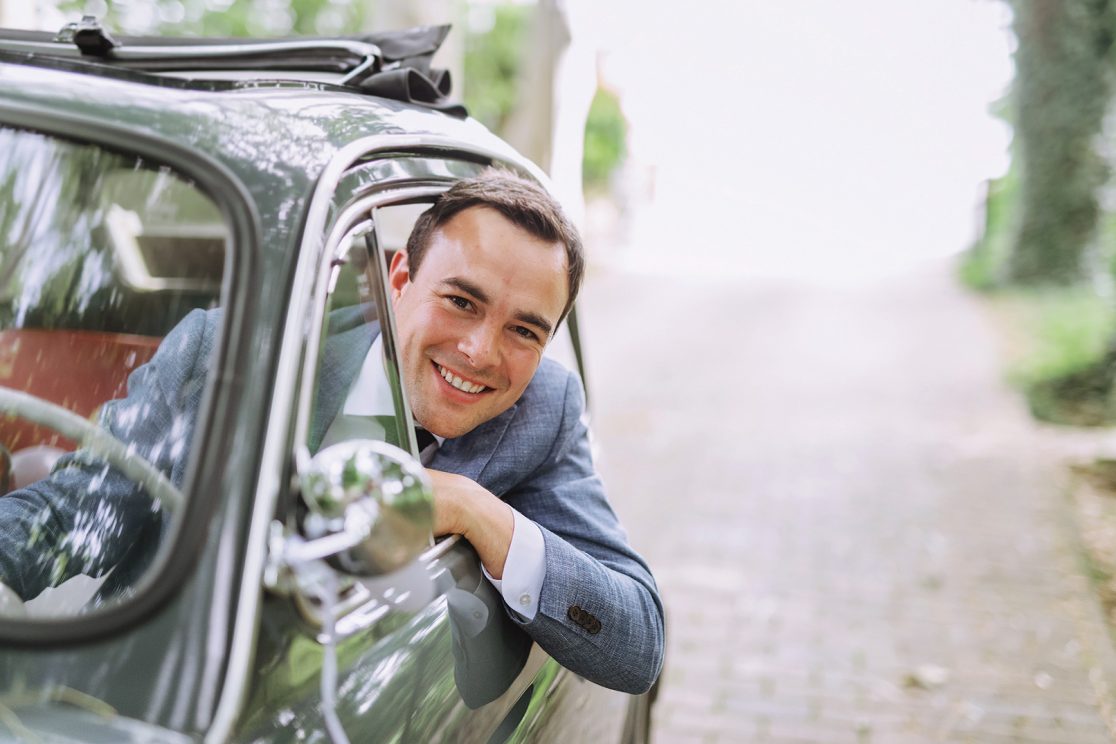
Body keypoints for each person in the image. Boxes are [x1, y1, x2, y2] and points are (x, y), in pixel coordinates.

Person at [0, 171, 664, 694]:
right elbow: (74, 513)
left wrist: (469, 506)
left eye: (525, 330)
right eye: (461, 301)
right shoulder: (225, 353)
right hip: (170, 696)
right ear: (401, 279)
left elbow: (635, 641)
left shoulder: (544, 410)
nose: (481, 351)